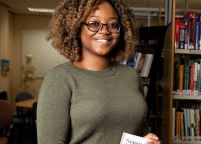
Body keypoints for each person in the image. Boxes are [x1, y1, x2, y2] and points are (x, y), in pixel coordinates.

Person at [36, 0, 160, 143]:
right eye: (94, 24)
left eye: (113, 25)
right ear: (76, 28)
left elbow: (141, 129)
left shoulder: (131, 76)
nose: (105, 31)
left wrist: (147, 140)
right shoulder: (59, 79)